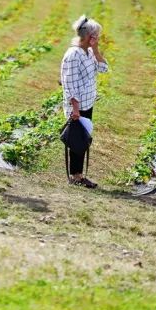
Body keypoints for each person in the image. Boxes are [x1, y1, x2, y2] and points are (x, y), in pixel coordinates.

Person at [60, 15, 108, 188]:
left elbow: (103, 68)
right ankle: (76, 176)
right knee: (77, 140)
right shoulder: (73, 55)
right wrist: (75, 109)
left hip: (87, 103)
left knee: (83, 138)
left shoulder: (87, 52)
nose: (99, 38)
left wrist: (95, 51)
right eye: (97, 36)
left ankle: (78, 175)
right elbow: (70, 85)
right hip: (77, 106)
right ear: (90, 36)